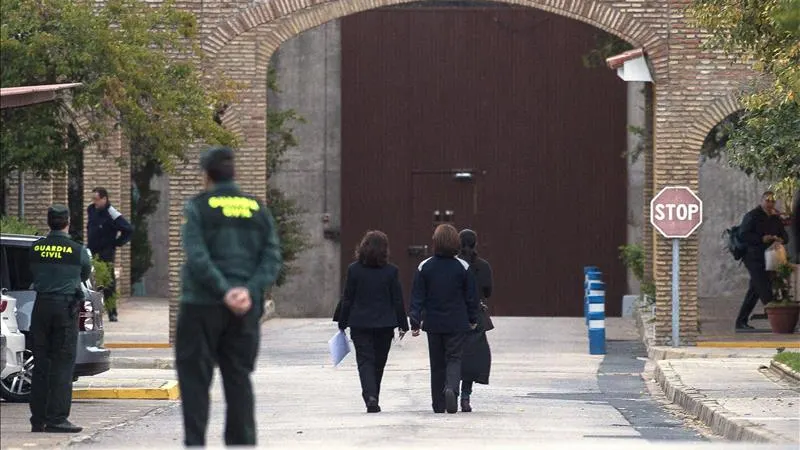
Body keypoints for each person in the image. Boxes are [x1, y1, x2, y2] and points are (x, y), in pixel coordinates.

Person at [175, 146, 282, 447]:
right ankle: (241, 443)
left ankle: (195, 443)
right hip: (245, 308)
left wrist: (224, 290)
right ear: (234, 172)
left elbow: (197, 256)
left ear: (206, 175)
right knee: (238, 378)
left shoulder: (198, 207)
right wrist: (247, 290)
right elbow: (272, 257)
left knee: (195, 380)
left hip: (202, 304)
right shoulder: (256, 208)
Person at [28, 205, 92, 433]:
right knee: (63, 365)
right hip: (64, 308)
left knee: (41, 364)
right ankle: (57, 419)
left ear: (48, 222)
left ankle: (38, 419)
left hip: (41, 307)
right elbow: (84, 274)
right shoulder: (77, 250)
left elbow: (32, 272)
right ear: (67, 222)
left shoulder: (36, 248)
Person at [335, 230, 409, 413]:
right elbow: (397, 299)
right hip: (385, 325)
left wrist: (342, 322)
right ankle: (373, 395)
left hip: (360, 324)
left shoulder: (354, 270)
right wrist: (402, 324)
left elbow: (347, 298)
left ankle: (370, 396)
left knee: (365, 361)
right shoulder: (391, 271)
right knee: (379, 363)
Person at [409, 224, 479, 414]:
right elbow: (471, 297)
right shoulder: (463, 267)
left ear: (436, 242)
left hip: (433, 323)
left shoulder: (425, 267)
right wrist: (473, 319)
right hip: (457, 322)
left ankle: (438, 404)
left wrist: (414, 321)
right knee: (454, 358)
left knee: (437, 363)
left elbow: (417, 297)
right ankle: (452, 389)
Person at [736, 191, 789, 331]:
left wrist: (780, 239)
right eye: (767, 200)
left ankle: (741, 322)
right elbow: (743, 235)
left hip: (770, 257)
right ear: (762, 201)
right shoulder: (752, 216)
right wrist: (761, 239)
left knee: (754, 290)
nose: (770, 203)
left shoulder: (775, 219)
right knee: (764, 288)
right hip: (753, 258)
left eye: (772, 201)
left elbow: (785, 236)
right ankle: (781, 320)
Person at [457, 229, 494, 413]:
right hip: (476, 315)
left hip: (455, 313)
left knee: (454, 353)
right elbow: (488, 291)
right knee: (472, 355)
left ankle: (451, 389)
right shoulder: (483, 266)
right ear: (475, 244)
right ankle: (465, 395)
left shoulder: (455, 265)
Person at [87, 187, 133, 322]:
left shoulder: (111, 213)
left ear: (104, 199)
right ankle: (94, 311)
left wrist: (117, 243)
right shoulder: (91, 209)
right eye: (93, 199)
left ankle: (112, 312)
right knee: (92, 282)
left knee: (108, 283)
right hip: (92, 251)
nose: (94, 202)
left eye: (97, 199)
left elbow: (128, 229)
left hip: (106, 252)